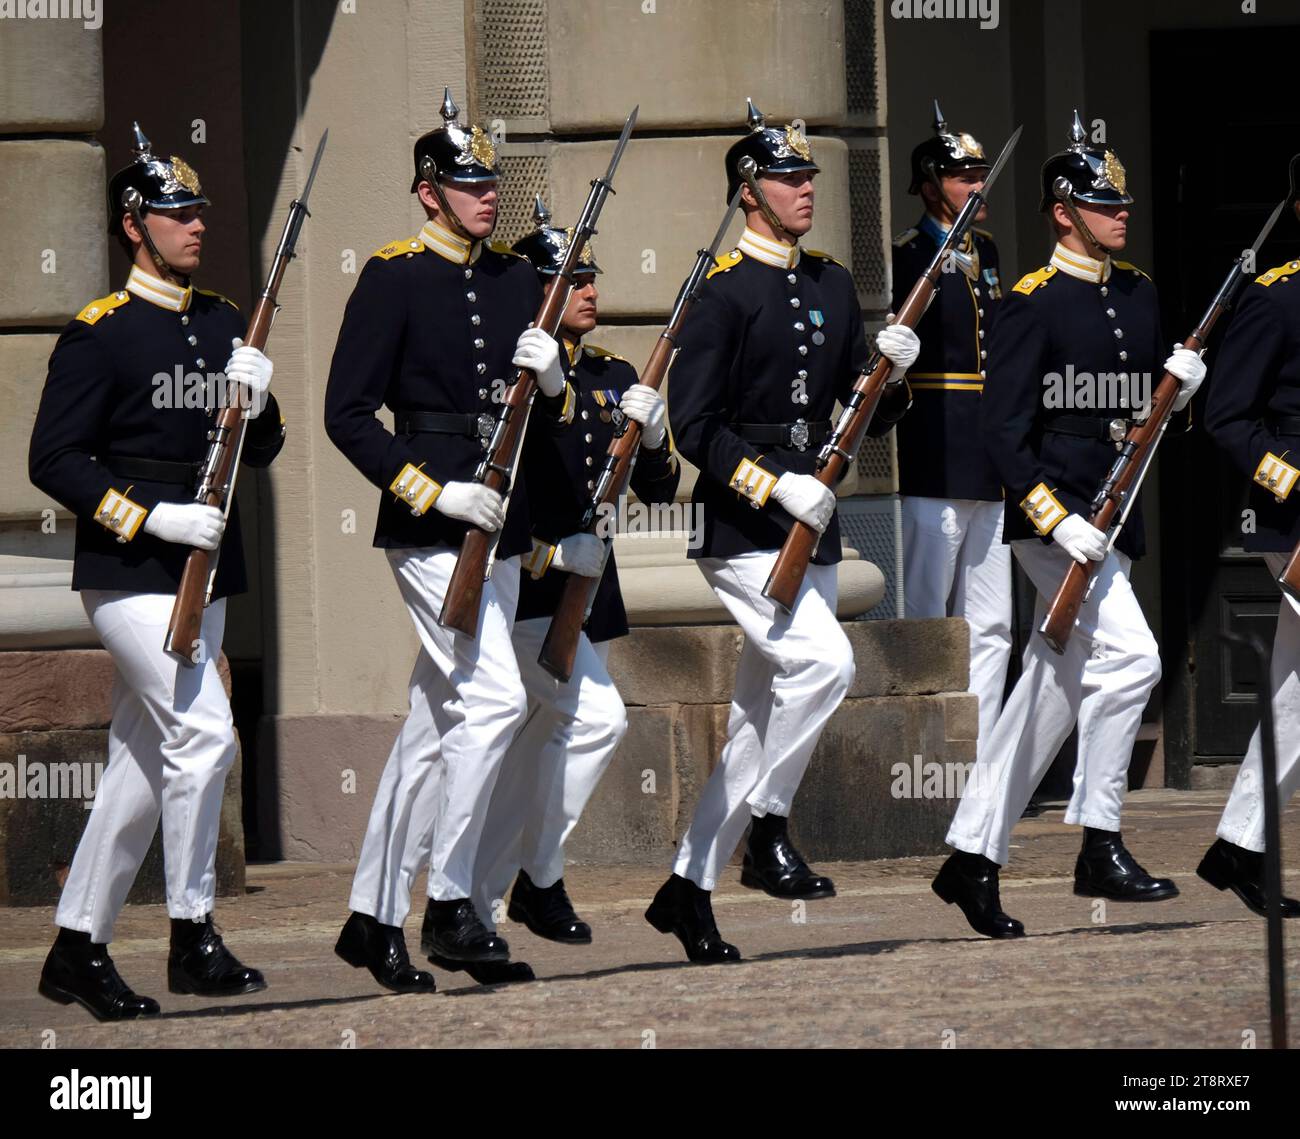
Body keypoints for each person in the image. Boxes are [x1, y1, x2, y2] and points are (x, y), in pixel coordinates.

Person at [646, 100, 918, 963]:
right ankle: (766, 828)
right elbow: (693, 425)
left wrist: (895, 376)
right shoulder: (721, 295)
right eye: (790, 178)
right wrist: (775, 485)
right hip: (746, 529)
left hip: (816, 525)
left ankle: (688, 887)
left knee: (762, 719)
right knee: (828, 663)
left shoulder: (833, 283)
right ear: (749, 191)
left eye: (809, 177)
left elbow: (861, 411)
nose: (806, 189)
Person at [30, 123, 283, 1019]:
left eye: (199, 211)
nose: (196, 225)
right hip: (131, 569)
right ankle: (192, 933)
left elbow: (267, 446)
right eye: (177, 213)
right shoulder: (100, 333)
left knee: (143, 763)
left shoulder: (220, 321)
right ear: (135, 224)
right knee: (205, 736)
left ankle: (76, 946)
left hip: (204, 568)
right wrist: (146, 512)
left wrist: (256, 397)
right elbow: (53, 458)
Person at [325, 90, 574, 993]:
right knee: (496, 699)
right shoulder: (393, 278)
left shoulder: (515, 281)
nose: (486, 196)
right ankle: (455, 901)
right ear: (428, 191)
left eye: (491, 182)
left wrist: (555, 389)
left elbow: (556, 423)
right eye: (468, 183)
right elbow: (345, 415)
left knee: (435, 727)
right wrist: (434, 491)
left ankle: (371, 916)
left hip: (498, 527)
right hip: (431, 530)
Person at [933, 111, 1204, 938]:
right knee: (1134, 659)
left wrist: (1179, 395)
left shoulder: (1139, 292)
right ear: (1062, 210)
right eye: (1101, 203)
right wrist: (1055, 522)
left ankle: (973, 859)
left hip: (1113, 518)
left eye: (1121, 202)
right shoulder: (1031, 303)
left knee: (1048, 692)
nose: (1120, 214)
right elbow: (1004, 433)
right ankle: (1100, 838)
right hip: (1058, 526)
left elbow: (1143, 419)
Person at [440, 198, 681, 983]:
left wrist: (650, 434)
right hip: (526, 589)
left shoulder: (613, 374)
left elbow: (660, 484)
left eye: (588, 273)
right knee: (572, 723)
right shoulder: (516, 382)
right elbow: (499, 488)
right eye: (568, 276)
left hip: (580, 602)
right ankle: (519, 887)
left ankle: (497, 899)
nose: (585, 286)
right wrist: (548, 555)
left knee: (531, 750)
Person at [893, 101, 1011, 757]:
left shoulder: (985, 251)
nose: (978, 186)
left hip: (986, 456)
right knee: (928, 615)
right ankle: (928, 750)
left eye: (980, 174)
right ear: (934, 184)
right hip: (933, 450)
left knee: (991, 622)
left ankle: (981, 751)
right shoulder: (909, 255)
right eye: (966, 176)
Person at [1199, 173, 1300, 917]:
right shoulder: (1275, 297)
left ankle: (1240, 843)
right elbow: (1226, 417)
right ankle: (1240, 842)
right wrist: (1295, 482)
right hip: (1295, 518)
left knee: (1296, 693)